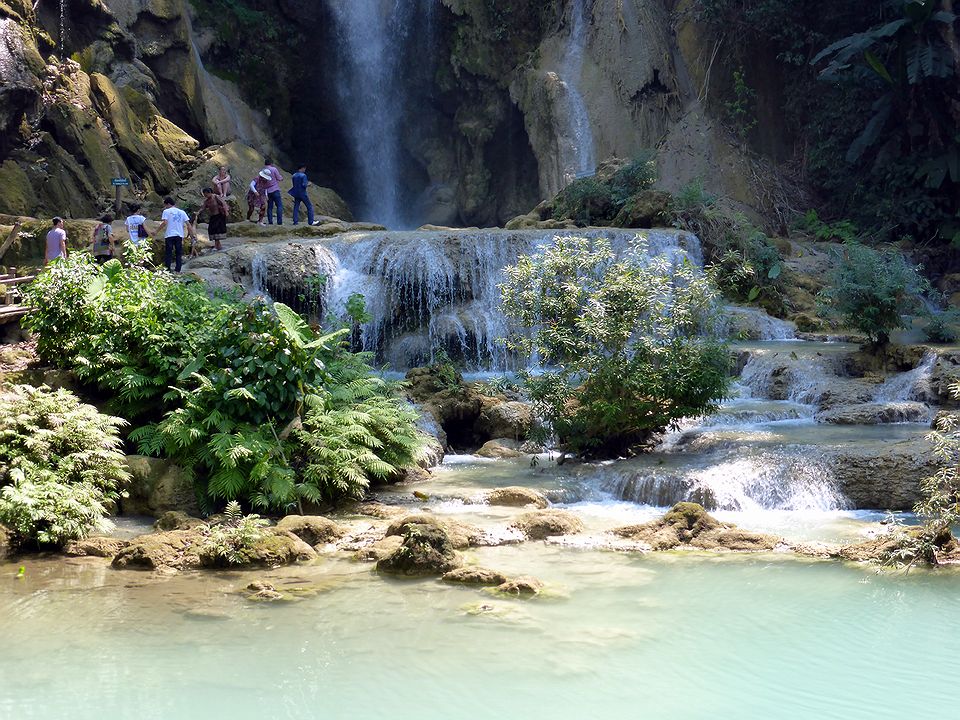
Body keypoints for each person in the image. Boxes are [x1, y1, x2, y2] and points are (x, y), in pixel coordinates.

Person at [151, 197, 192, 273]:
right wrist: (191, 234)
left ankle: (167, 269)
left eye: (165, 205)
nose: (165, 207)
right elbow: (188, 224)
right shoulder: (182, 212)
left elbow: (165, 222)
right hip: (179, 234)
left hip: (169, 234)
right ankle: (178, 269)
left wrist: (156, 231)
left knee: (168, 252)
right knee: (178, 252)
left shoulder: (166, 211)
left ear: (168, 204)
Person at [199, 187, 228, 252]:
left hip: (219, 216)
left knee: (217, 230)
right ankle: (218, 246)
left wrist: (226, 212)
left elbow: (223, 203)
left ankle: (216, 245)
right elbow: (203, 208)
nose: (205, 196)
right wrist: (198, 212)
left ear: (210, 193)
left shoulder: (216, 197)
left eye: (206, 194)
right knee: (212, 230)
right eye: (204, 194)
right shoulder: (206, 201)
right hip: (213, 217)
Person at [262, 157, 284, 225]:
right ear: (271, 163)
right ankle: (279, 222)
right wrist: (281, 178)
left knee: (270, 207)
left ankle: (270, 221)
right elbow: (279, 178)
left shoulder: (263, 171)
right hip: (275, 189)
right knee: (279, 206)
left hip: (268, 191)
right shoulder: (274, 169)